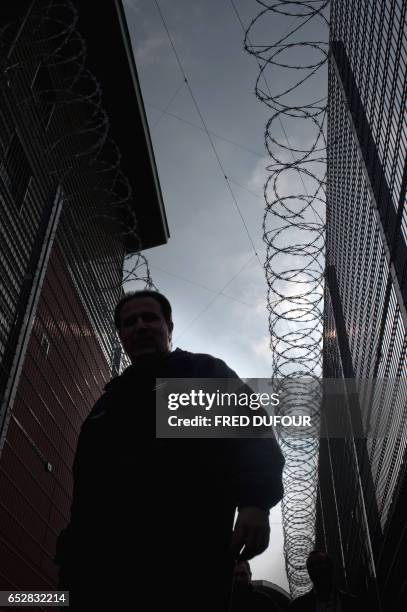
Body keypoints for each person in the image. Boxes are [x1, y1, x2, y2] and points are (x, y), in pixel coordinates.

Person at [55, 290, 285, 610]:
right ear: (121, 335)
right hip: (107, 573)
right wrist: (74, 559)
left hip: (187, 562)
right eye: (129, 322)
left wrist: (256, 502)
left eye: (150, 318)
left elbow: (249, 431)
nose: (140, 326)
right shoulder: (107, 405)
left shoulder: (197, 373)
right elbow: (87, 488)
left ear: (169, 327)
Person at [288, 551, 359, 611]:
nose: (316, 568)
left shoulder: (351, 603)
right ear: (309, 572)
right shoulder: (298, 606)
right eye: (311, 566)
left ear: (330, 567)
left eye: (320, 563)